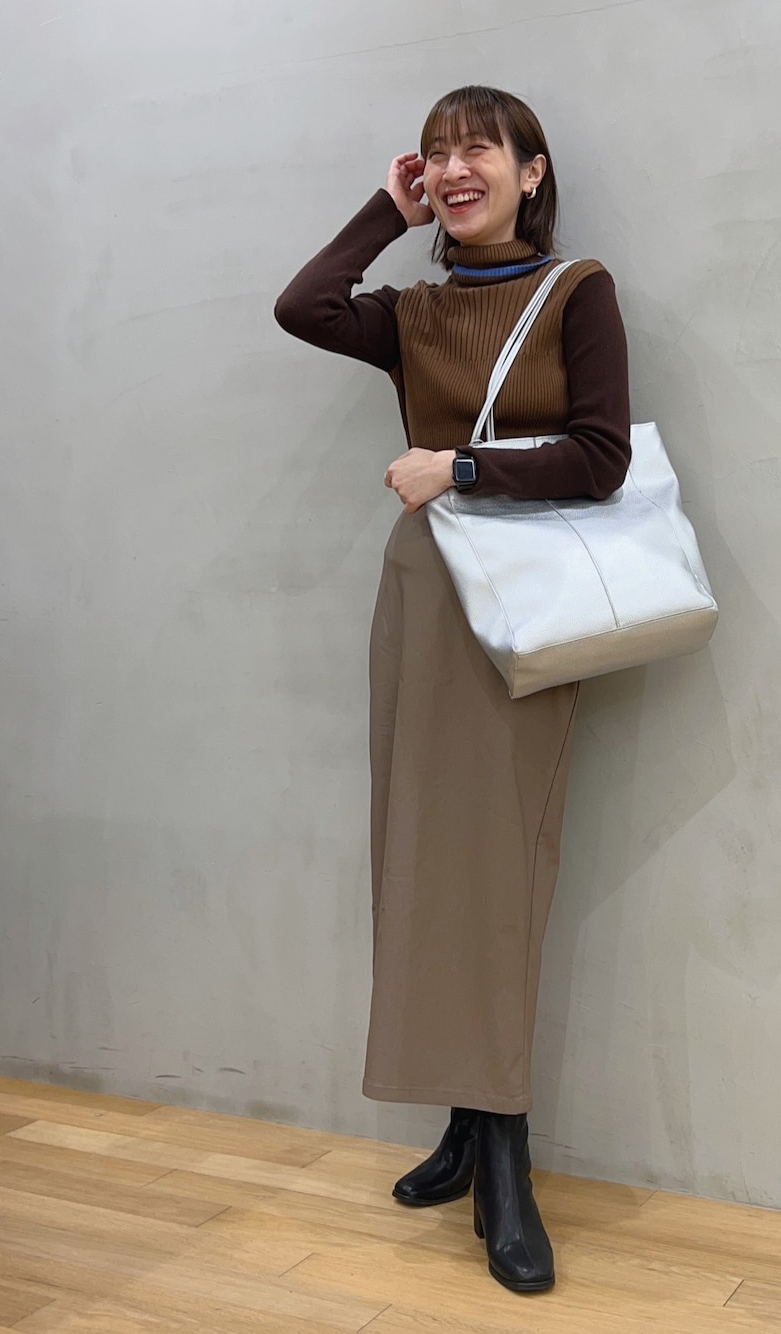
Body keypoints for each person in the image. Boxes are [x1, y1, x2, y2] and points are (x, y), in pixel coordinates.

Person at [274, 84, 630, 1294]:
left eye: (479, 146)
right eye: (436, 152)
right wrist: (387, 212)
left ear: (533, 170)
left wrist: (461, 465)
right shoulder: (413, 310)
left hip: (529, 602)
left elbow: (601, 454)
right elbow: (302, 305)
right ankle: (467, 1125)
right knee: (426, 853)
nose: (454, 164)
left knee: (501, 868)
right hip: (426, 594)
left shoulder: (577, 290)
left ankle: (508, 1148)